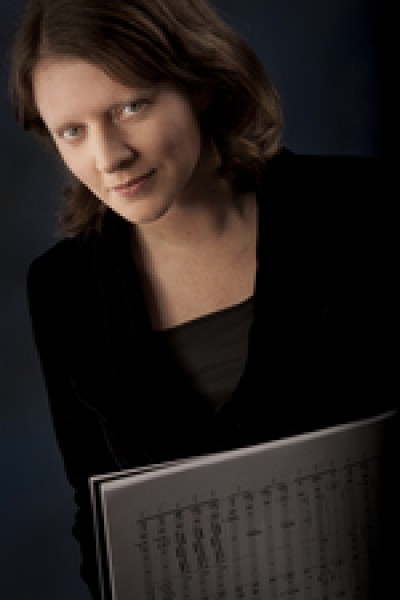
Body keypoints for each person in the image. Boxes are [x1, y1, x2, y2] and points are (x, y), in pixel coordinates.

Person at [10, 0, 396, 598]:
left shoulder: (363, 210)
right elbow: (99, 524)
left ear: (201, 85)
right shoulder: (62, 289)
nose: (109, 157)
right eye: (73, 131)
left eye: (131, 107)